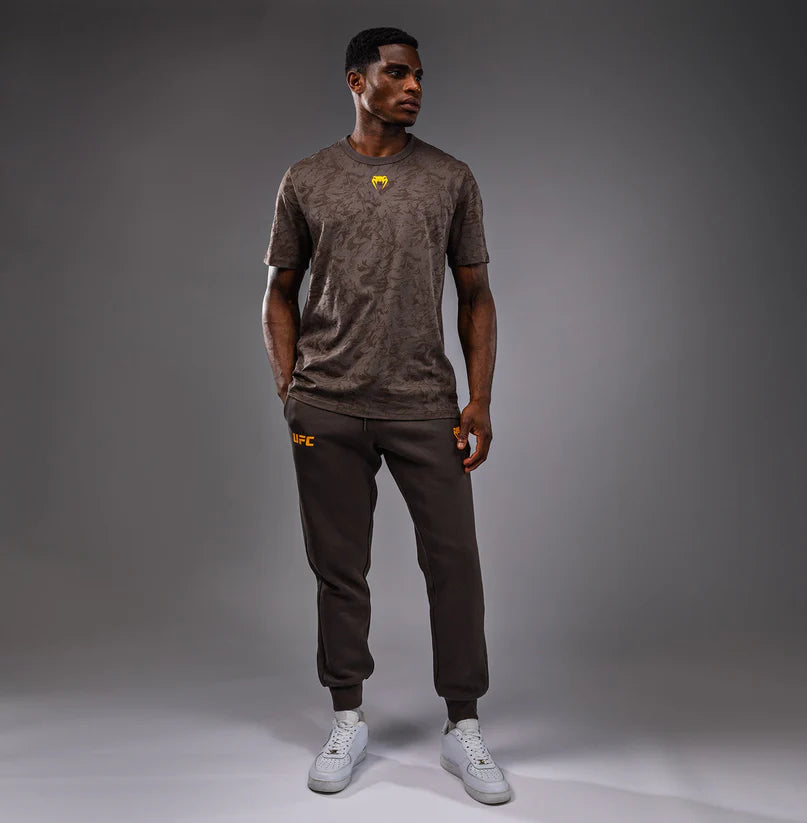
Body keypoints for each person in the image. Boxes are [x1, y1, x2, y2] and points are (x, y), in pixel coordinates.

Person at [261, 26, 510, 805]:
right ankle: (347, 718)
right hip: (327, 407)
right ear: (355, 81)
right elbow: (278, 291)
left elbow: (475, 295)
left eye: (418, 76)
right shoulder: (307, 178)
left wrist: (479, 398)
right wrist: (289, 386)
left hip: (423, 406)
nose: (413, 88)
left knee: (455, 566)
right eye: (397, 74)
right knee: (339, 571)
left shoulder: (449, 178)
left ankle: (463, 726)